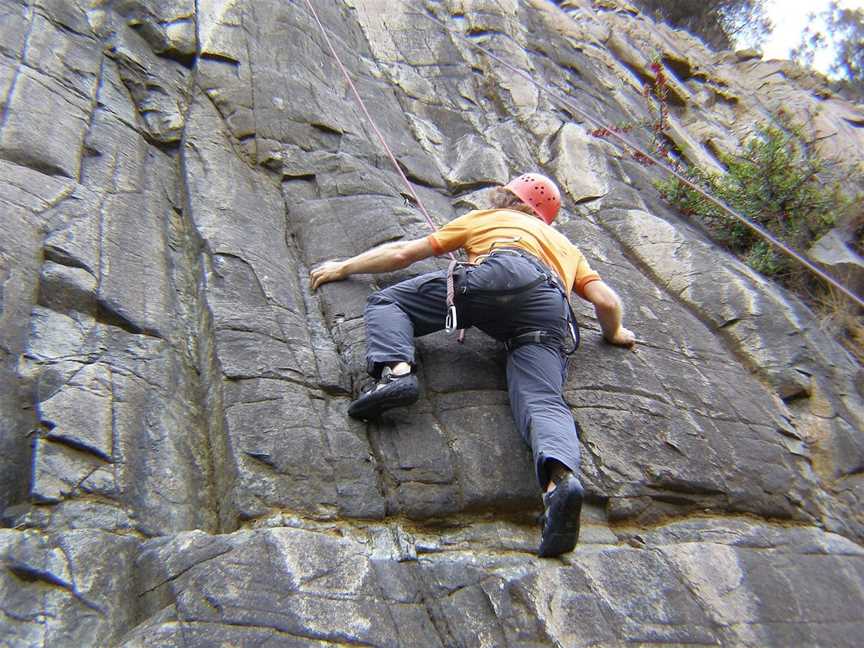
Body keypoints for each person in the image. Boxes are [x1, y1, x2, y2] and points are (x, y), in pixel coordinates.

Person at [310, 173, 635, 557]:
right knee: (543, 400)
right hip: (548, 309)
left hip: (499, 276)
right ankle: (559, 481)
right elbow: (607, 302)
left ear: (508, 199)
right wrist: (614, 334)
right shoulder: (565, 246)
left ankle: (395, 374)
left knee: (389, 303)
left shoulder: (488, 219)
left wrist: (345, 267)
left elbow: (403, 254)